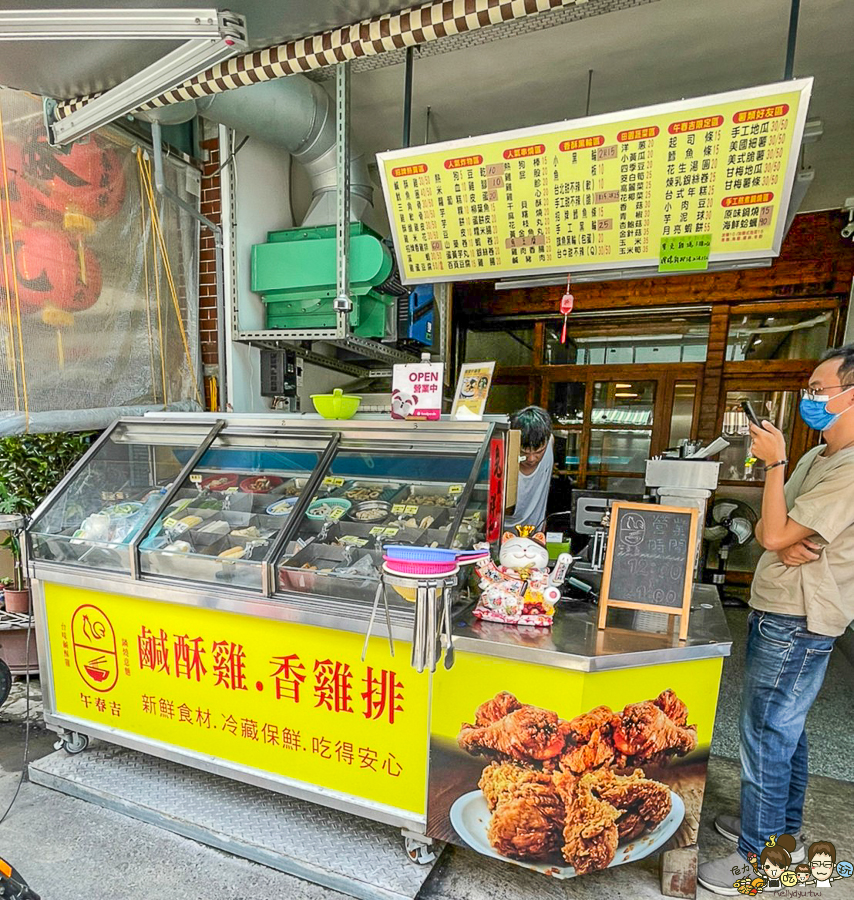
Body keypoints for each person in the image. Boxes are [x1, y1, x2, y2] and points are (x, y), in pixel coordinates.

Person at [699, 344, 854, 894]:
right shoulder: (818, 457)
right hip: (777, 611)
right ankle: (780, 833)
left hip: (799, 619)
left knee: (766, 736)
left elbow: (770, 534)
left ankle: (761, 863)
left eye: (820, 389)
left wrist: (773, 466)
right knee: (786, 733)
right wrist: (781, 533)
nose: (811, 397)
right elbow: (777, 525)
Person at [505, 406, 554, 532]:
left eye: (538, 452)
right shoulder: (503, 455)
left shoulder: (550, 441)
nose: (531, 459)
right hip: (503, 532)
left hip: (535, 532)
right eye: (524, 453)